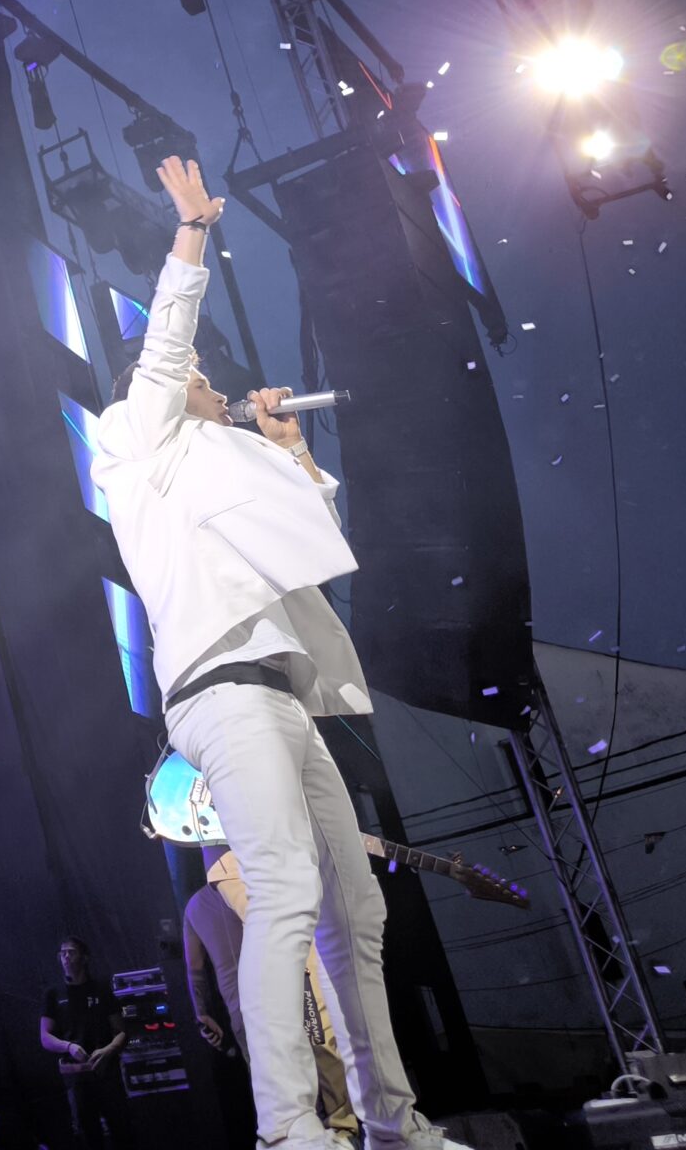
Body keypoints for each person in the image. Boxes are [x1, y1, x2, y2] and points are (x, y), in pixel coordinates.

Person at [91, 157, 465, 1150]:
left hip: (283, 700)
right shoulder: (134, 441)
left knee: (357, 911)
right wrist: (189, 235)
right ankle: (288, 1131)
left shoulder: (218, 468)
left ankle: (393, 1124)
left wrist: (280, 443)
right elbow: (167, 355)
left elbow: (310, 527)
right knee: (289, 890)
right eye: (199, 383)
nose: (210, 384)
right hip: (220, 691)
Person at [184, 847, 362, 1146]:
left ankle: (302, 1135)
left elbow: (195, 969)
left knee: (271, 1077)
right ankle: (342, 1129)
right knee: (321, 1049)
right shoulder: (253, 882)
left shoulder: (195, 906)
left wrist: (202, 1012)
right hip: (289, 984)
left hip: (244, 1007)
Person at [40, 935, 132, 1146]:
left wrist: (108, 1050)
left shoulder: (100, 988)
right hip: (77, 1077)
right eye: (62, 953)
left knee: (122, 1129)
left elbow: (122, 1031)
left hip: (106, 1073)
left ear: (85, 957)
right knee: (88, 1133)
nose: (65, 957)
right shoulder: (53, 993)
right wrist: (69, 1046)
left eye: (71, 952)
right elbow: (45, 1036)